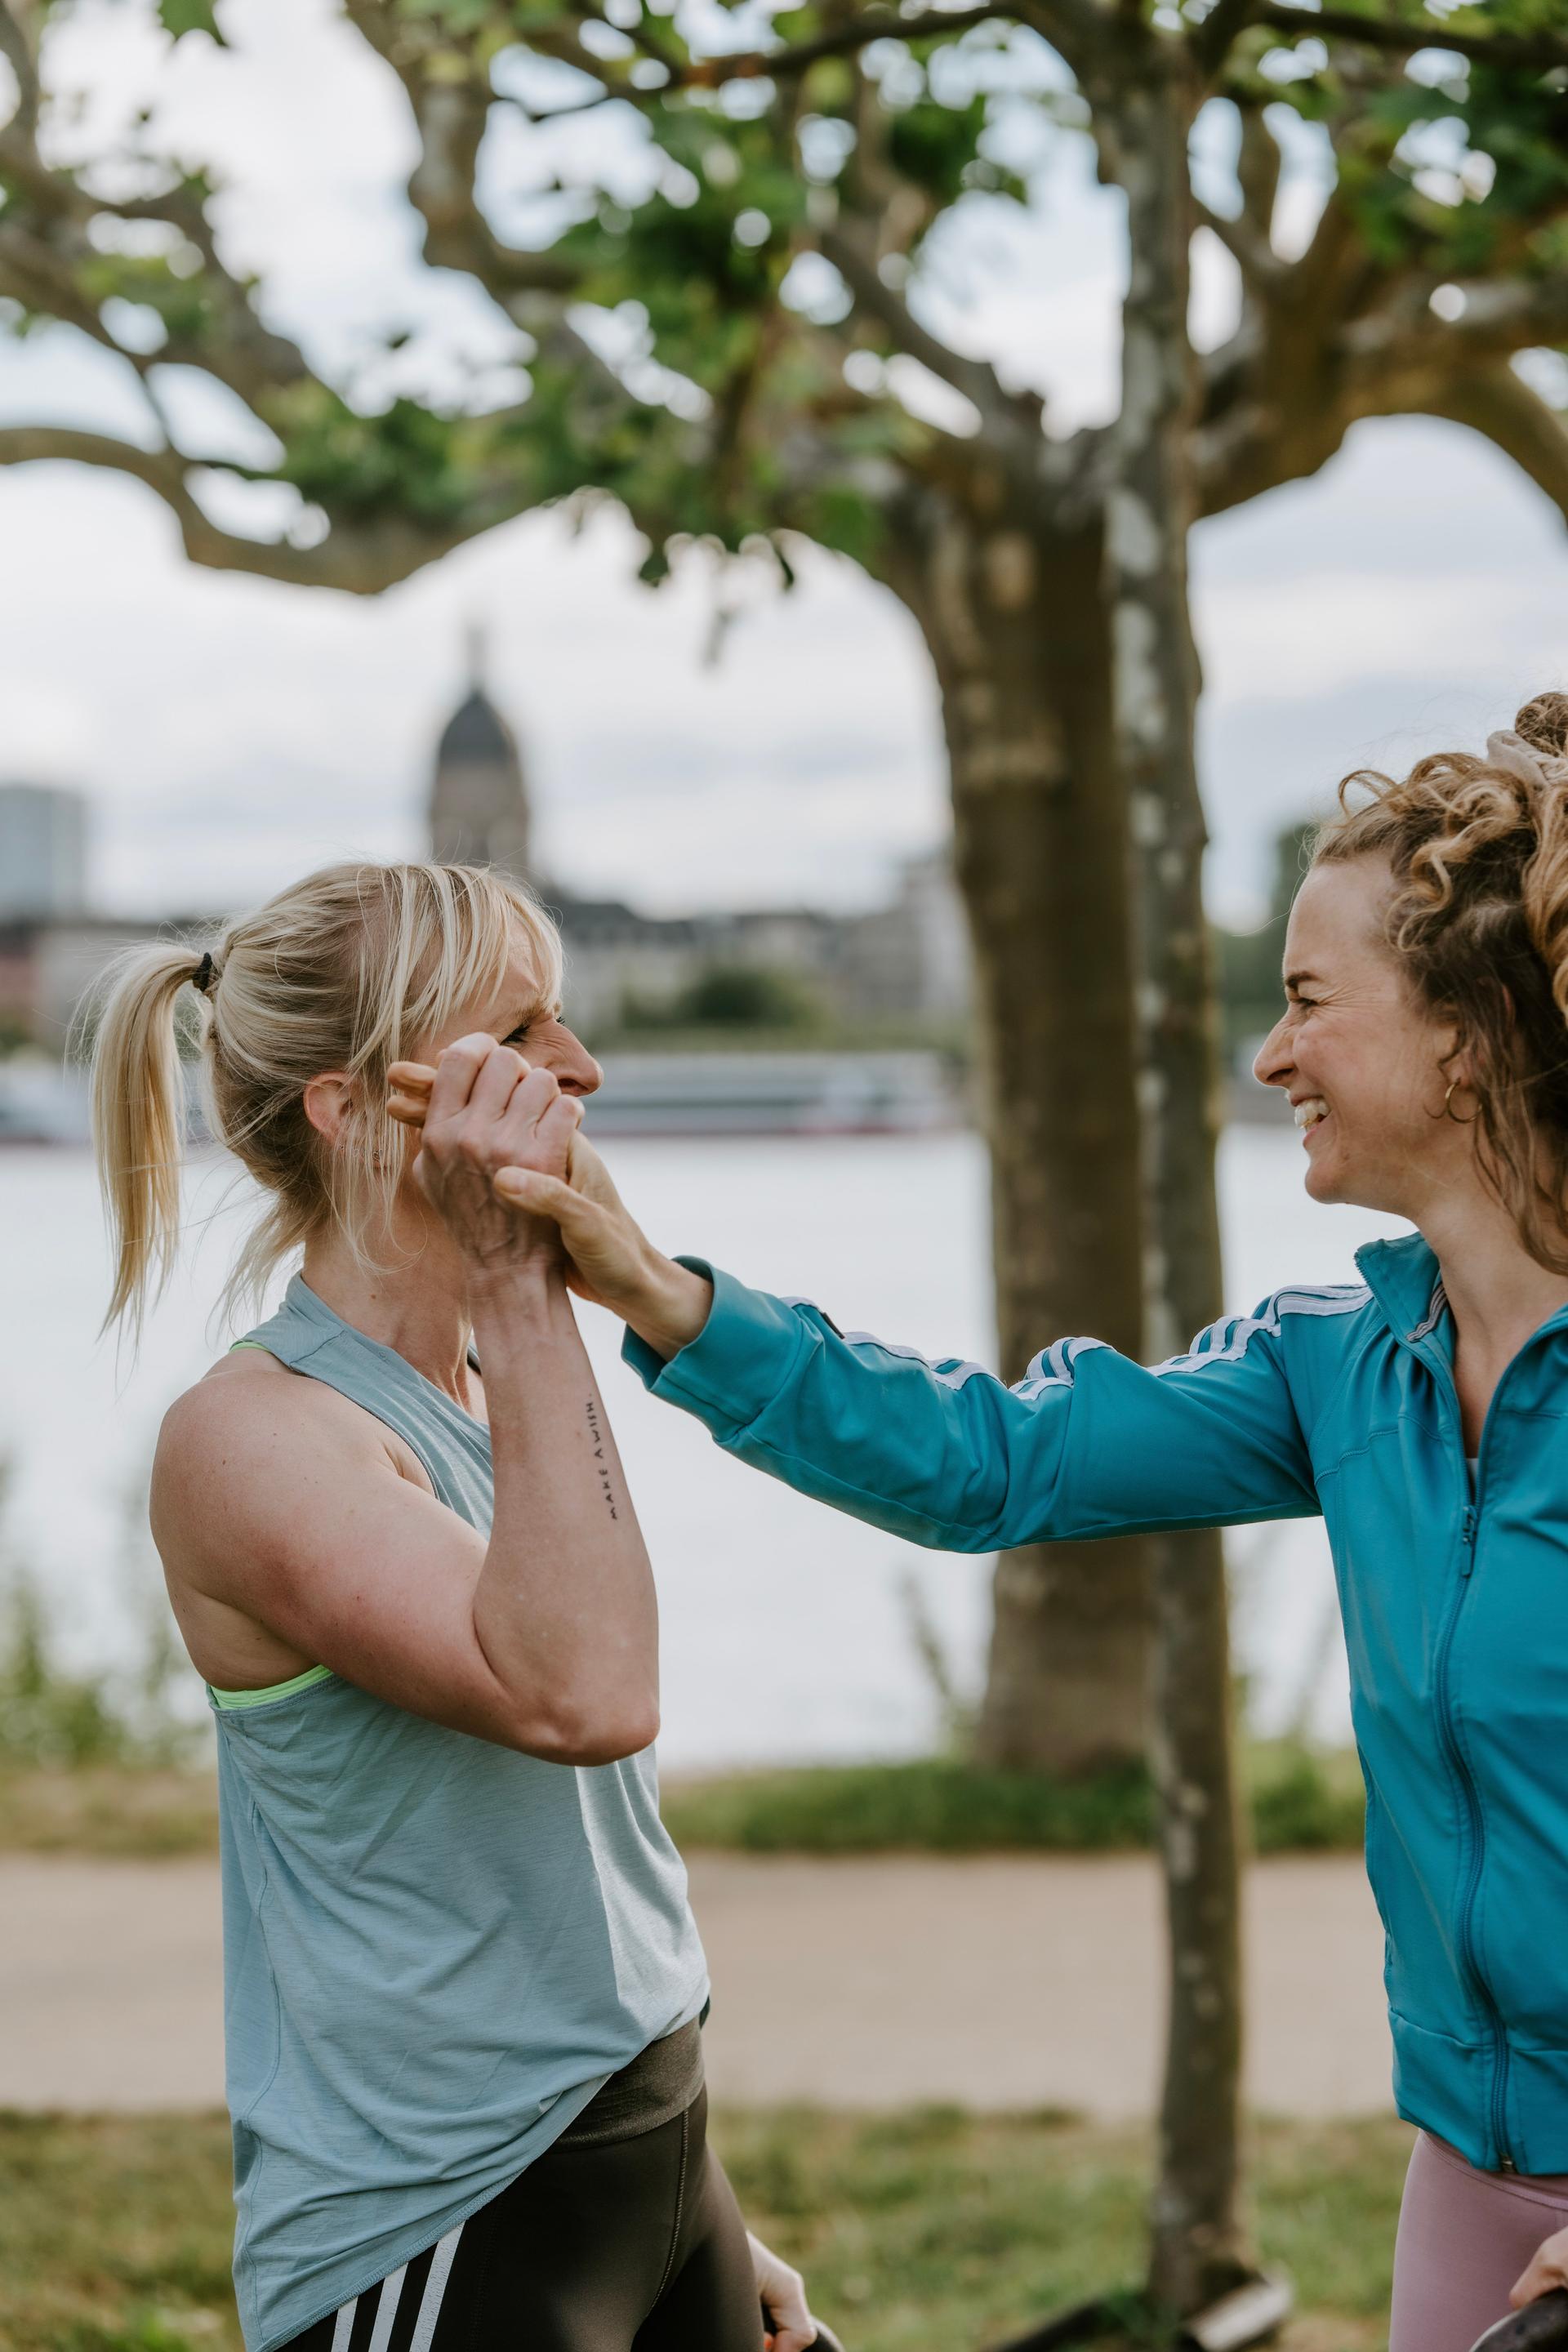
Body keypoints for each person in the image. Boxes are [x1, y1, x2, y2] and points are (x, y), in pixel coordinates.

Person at [436, 694, 1568, 2350]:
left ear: (1465, 1039)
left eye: (1310, 1003)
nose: (1271, 1057)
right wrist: (661, 1292)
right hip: (1468, 2175)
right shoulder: (1346, 1367)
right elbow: (991, 1461)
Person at [87, 862, 814, 2352]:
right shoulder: (257, 1442)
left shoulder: (487, 1392)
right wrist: (522, 1275)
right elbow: (585, 1693)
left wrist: (696, 2203)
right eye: (522, 1033)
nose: (582, 1072)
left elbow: (565, 1877)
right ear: (361, 1112)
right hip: (439, 2224)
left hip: (644, 2152)